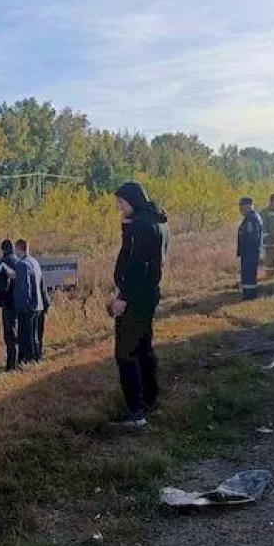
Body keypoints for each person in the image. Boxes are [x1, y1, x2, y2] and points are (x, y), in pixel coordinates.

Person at [109, 181, 169, 428]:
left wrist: (123, 298)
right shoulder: (156, 221)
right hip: (148, 295)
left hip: (135, 298)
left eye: (121, 203)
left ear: (132, 200)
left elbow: (136, 265)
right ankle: (150, 399)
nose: (120, 208)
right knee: (144, 349)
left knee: (126, 354)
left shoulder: (142, 226)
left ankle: (136, 411)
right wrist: (126, 230)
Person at [13, 239, 44, 364]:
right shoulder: (35, 262)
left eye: (16, 249)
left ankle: (28, 360)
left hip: (28, 306)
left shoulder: (22, 264)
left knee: (26, 336)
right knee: (34, 334)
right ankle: (37, 358)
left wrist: (22, 305)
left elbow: (24, 287)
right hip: (38, 304)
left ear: (19, 249)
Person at [0, 239, 20, 371]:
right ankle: (17, 361)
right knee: (17, 333)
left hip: (8, 304)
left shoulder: (4, 262)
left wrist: (0, 300)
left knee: (9, 335)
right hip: (18, 302)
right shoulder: (18, 261)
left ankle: (11, 366)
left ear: (3, 250)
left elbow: (2, 285)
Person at [237, 197, 263, 300]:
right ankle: (249, 294)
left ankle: (249, 295)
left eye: (241, 206)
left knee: (248, 274)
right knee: (249, 274)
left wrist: (246, 250)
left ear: (247, 206)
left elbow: (251, 237)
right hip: (250, 251)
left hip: (250, 251)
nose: (240, 209)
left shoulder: (251, 219)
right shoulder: (252, 217)